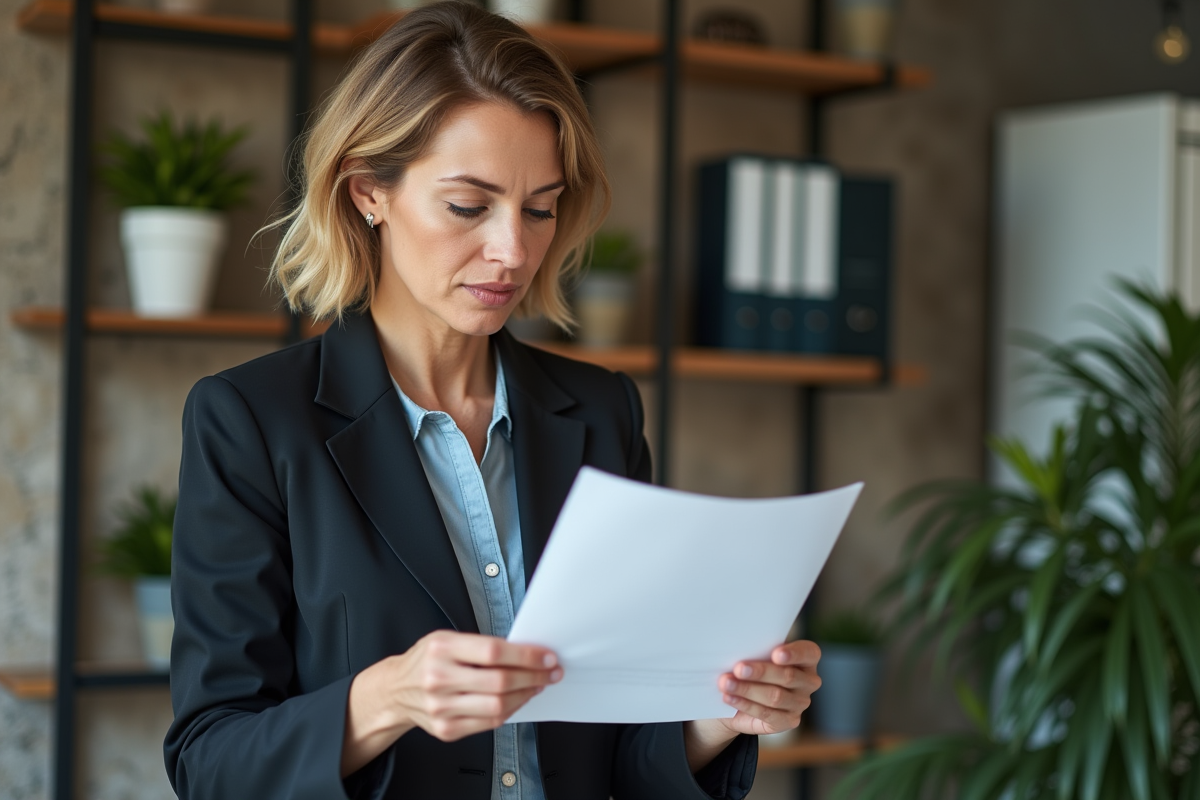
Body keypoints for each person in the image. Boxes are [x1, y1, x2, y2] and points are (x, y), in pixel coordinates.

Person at [163, 3, 821, 798]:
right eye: (468, 206)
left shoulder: (602, 412)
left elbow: (623, 751)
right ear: (368, 191)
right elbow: (209, 763)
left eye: (539, 208)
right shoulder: (252, 423)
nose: (513, 250)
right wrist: (389, 697)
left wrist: (723, 712)